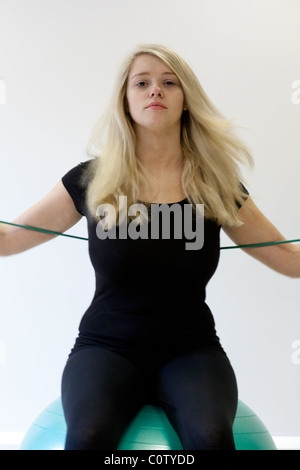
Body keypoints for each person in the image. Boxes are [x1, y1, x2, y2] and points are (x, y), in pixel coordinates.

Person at [0, 44, 299, 450]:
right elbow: (8, 239)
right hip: (106, 347)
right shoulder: (93, 179)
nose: (154, 91)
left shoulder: (215, 186)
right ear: (125, 100)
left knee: (212, 437)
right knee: (87, 437)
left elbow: (287, 258)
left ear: (186, 100)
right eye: (141, 83)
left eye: (169, 83)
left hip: (191, 349)